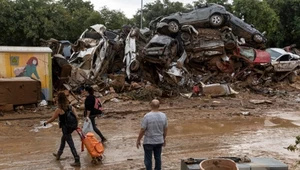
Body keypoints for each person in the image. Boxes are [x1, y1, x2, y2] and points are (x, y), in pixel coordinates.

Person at [44, 91, 80, 167]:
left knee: (71, 143)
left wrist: (46, 123)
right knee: (63, 139)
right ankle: (59, 154)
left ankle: (77, 159)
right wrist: (76, 125)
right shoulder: (71, 107)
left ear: (59, 99)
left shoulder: (59, 109)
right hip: (72, 127)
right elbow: (77, 117)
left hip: (65, 128)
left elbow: (53, 118)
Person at [136, 99, 168, 170]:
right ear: (159, 106)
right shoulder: (163, 116)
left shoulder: (147, 116)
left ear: (150, 106)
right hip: (159, 140)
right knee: (158, 158)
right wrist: (164, 138)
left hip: (148, 141)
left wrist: (138, 140)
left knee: (148, 159)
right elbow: (165, 129)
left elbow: (142, 129)